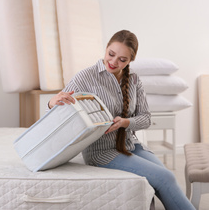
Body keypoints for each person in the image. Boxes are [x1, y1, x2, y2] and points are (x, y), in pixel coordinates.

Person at [48, 30, 195, 210]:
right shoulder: (85, 77)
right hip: (102, 151)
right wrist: (51, 102)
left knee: (162, 179)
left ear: (130, 61)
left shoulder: (134, 80)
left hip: (132, 144)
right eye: (111, 54)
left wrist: (126, 123)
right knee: (166, 178)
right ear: (106, 48)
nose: (114, 62)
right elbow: (57, 113)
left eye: (122, 60)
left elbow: (146, 118)